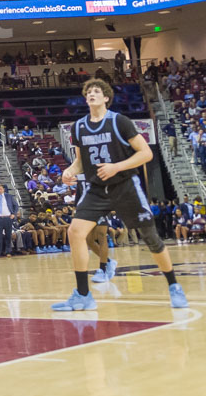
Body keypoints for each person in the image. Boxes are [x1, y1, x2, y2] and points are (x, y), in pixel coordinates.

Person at [51, 79, 188, 310]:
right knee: (75, 232)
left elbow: (145, 154)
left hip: (125, 185)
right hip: (97, 189)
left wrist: (117, 166)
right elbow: (81, 162)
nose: (92, 94)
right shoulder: (79, 127)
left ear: (106, 98)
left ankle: (174, 285)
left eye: (97, 91)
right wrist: (68, 171)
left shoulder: (120, 122)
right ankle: (83, 295)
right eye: (89, 92)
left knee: (150, 237)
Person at [0, 185, 18, 257]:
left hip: (8, 218)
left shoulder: (9, 196)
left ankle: (8, 251)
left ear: (3, 189)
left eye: (0, 189)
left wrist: (13, 214)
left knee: (8, 236)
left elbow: (16, 205)